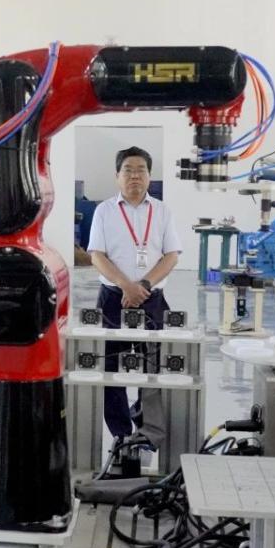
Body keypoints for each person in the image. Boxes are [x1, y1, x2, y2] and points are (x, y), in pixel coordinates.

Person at [86, 146, 181, 450]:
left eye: (141, 170)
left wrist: (143, 285)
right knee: (109, 366)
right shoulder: (104, 211)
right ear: (117, 176)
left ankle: (146, 430)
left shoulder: (163, 211)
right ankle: (120, 434)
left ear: (149, 176)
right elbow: (96, 256)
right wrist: (126, 285)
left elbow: (171, 255)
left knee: (154, 367)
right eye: (128, 170)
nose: (134, 176)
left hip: (152, 298)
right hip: (113, 299)